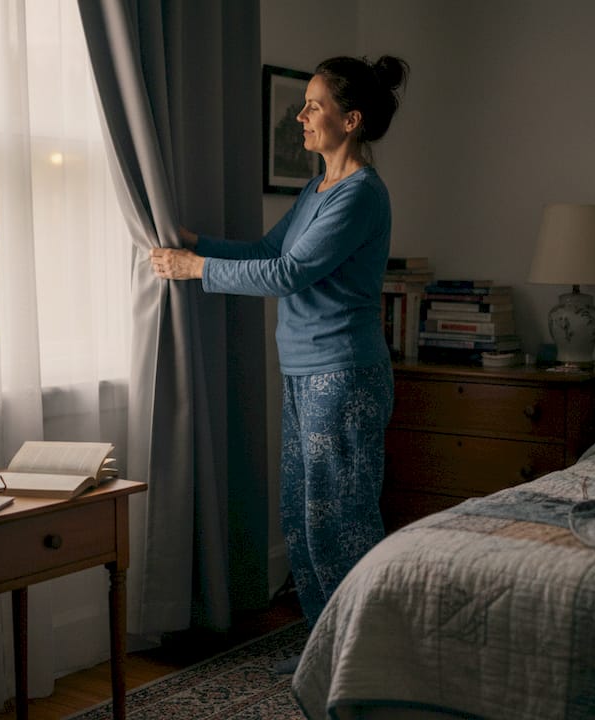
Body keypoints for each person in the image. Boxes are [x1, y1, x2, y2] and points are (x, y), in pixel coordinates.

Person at [149, 55, 409, 671]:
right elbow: (270, 249)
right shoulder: (315, 189)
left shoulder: (361, 195)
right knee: (301, 515)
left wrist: (196, 270)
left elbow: (287, 274)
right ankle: (329, 648)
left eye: (314, 105)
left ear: (351, 120)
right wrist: (196, 244)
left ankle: (365, 654)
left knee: (339, 521)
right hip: (304, 371)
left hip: (344, 375)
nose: (302, 114)